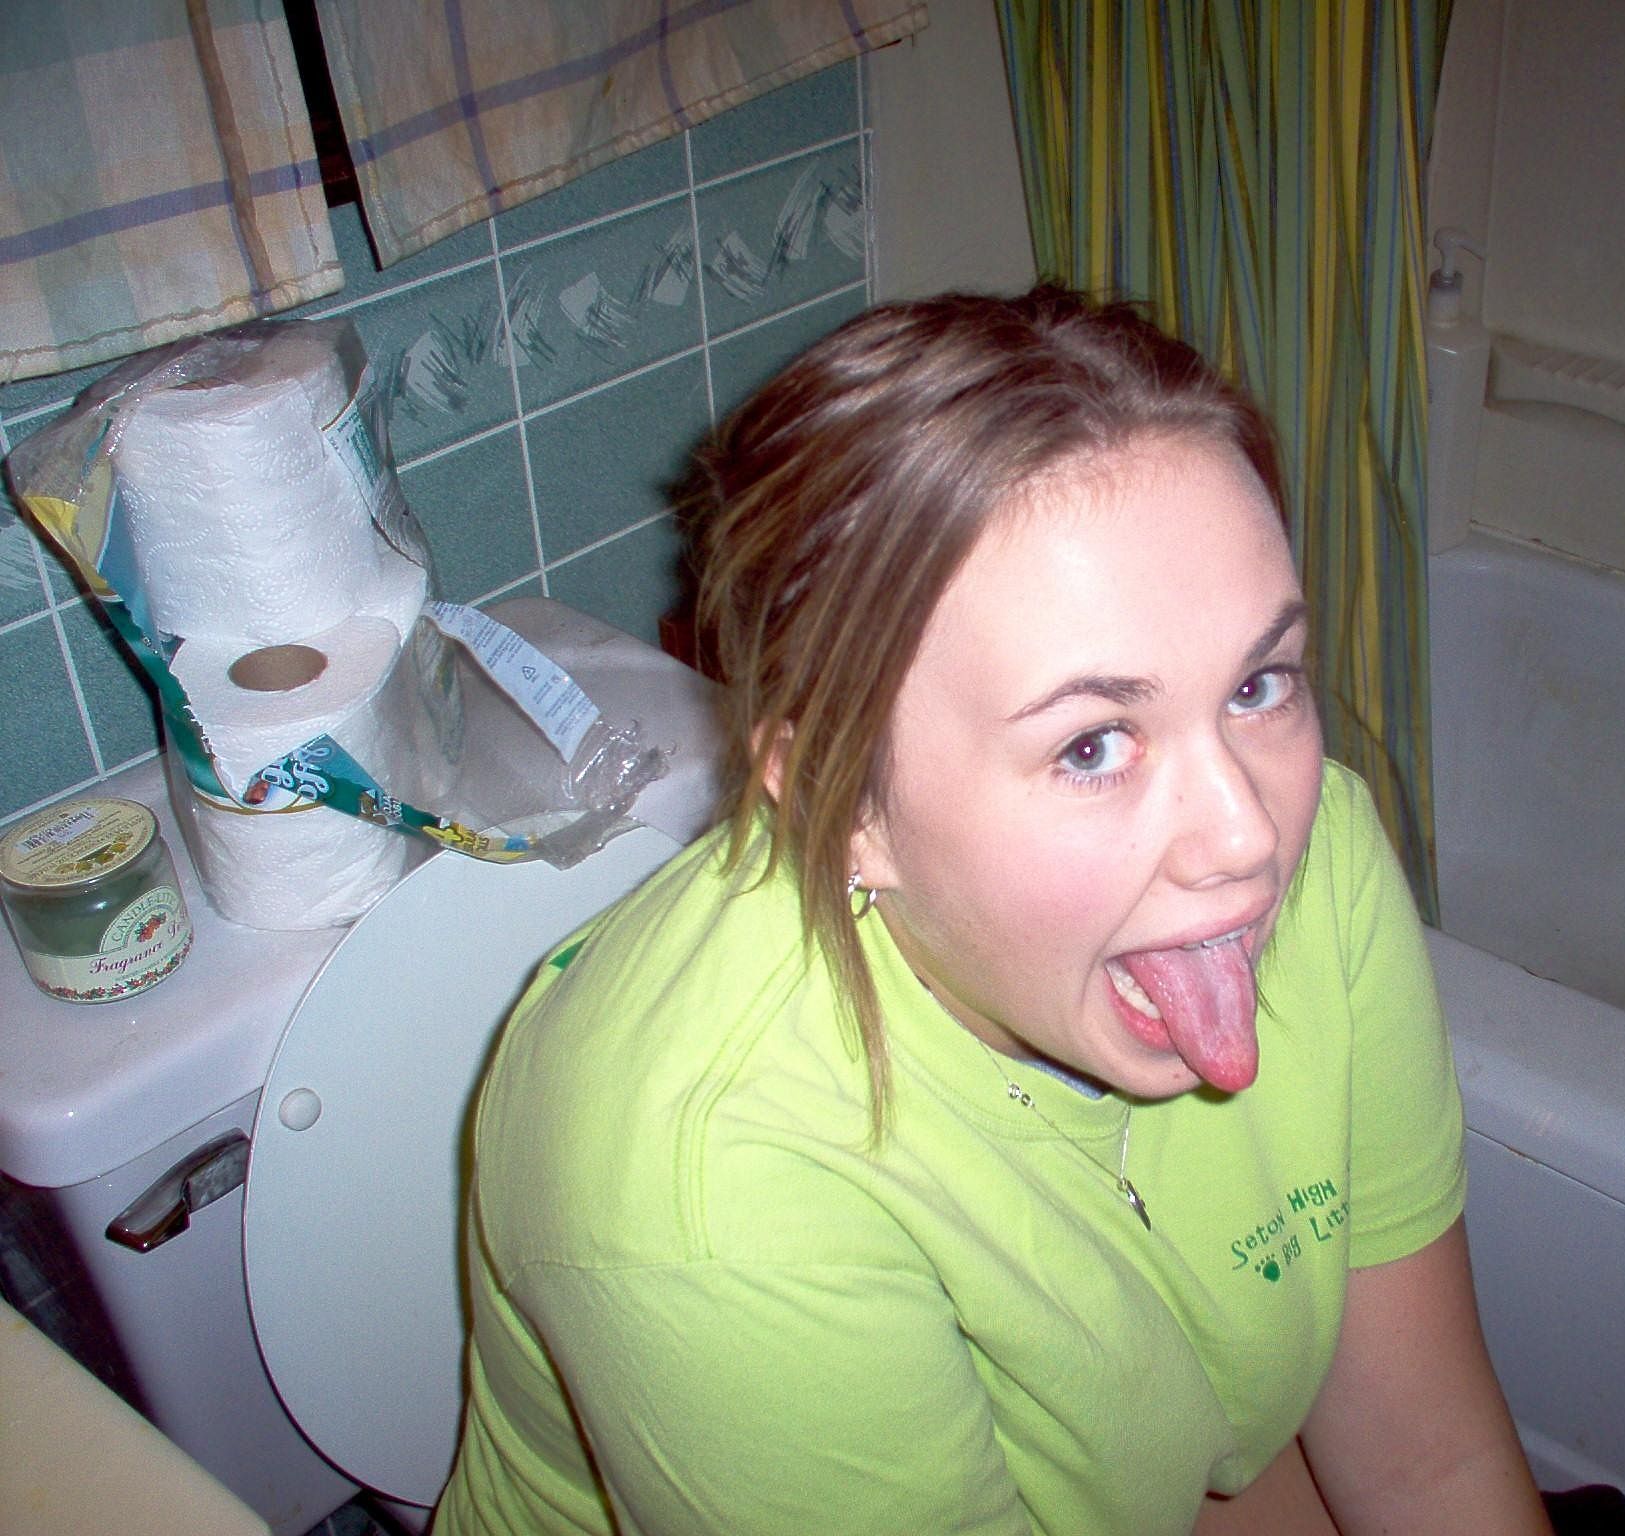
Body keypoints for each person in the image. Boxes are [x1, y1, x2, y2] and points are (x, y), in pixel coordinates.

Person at [434, 286, 1551, 1535]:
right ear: (844, 804)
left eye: (1257, 685)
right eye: (1091, 745)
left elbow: (1425, 1457)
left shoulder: (1317, 845)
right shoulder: (706, 1184)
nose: (1251, 835)